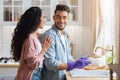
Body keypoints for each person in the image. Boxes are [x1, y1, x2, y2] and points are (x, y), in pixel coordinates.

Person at [40, 4, 91, 80]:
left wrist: (77, 62)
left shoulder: (65, 36)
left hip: (64, 77)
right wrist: (73, 64)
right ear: (54, 18)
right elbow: (50, 64)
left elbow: (68, 58)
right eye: (58, 17)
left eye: (64, 17)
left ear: (68, 19)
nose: (61, 20)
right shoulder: (49, 36)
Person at [10, 7, 52, 80]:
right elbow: (33, 63)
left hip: (37, 73)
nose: (45, 20)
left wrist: (63, 34)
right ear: (36, 20)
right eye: (43, 17)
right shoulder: (30, 39)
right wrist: (44, 49)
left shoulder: (35, 36)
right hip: (32, 75)